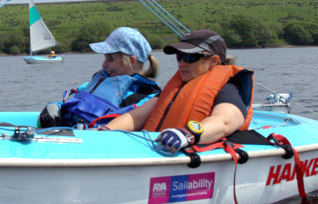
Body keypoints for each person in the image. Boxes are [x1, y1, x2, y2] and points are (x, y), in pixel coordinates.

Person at [105, 29, 254, 153]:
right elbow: (136, 117)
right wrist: (105, 131)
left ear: (213, 61)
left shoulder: (229, 89)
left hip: (187, 153)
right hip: (155, 150)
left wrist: (187, 134)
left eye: (190, 57)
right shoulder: (176, 88)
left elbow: (224, 122)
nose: (182, 63)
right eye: (179, 57)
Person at [38, 27, 161, 128]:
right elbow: (75, 102)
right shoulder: (98, 81)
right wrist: (55, 107)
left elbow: (135, 119)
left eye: (110, 59)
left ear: (131, 61)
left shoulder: (149, 97)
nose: (104, 64)